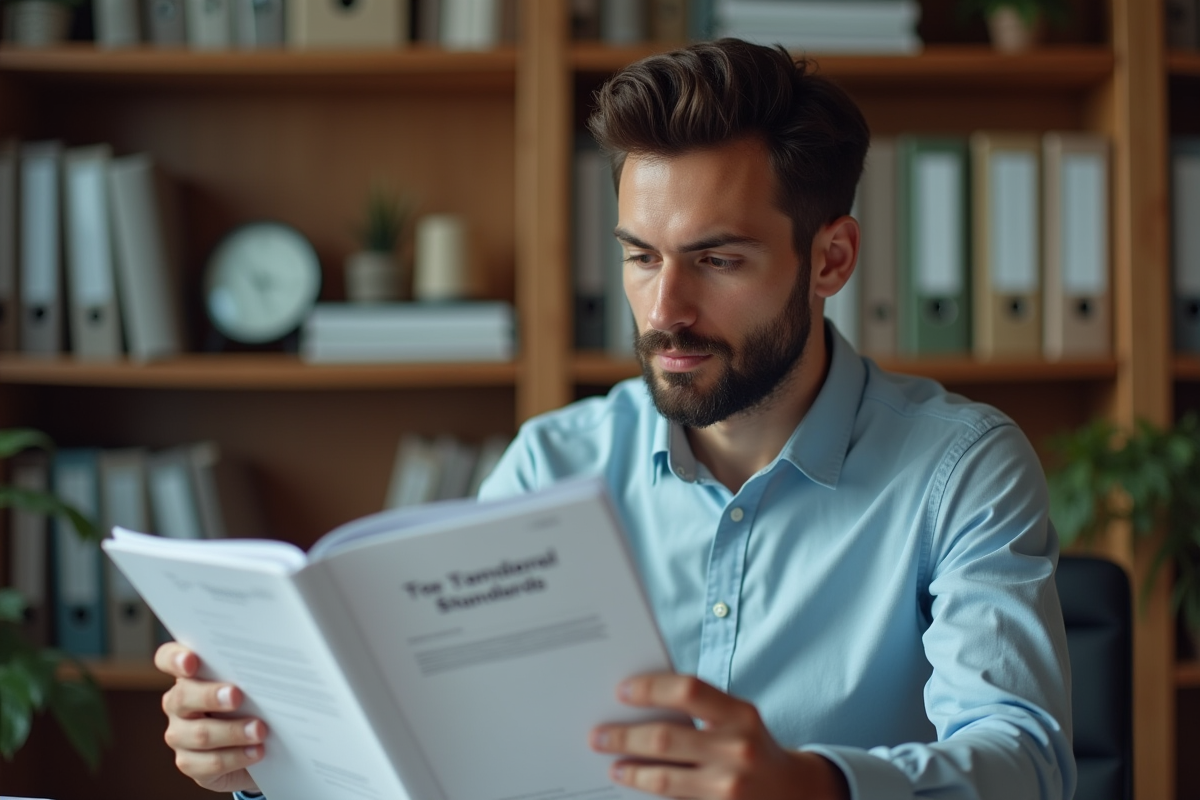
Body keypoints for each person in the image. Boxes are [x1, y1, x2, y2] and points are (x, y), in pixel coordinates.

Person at [154, 38, 1075, 800]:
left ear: (830, 259)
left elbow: (1027, 761)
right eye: (641, 257)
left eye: (716, 261)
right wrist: (265, 754)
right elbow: (451, 752)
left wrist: (812, 788)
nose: (664, 309)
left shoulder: (961, 468)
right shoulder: (552, 461)